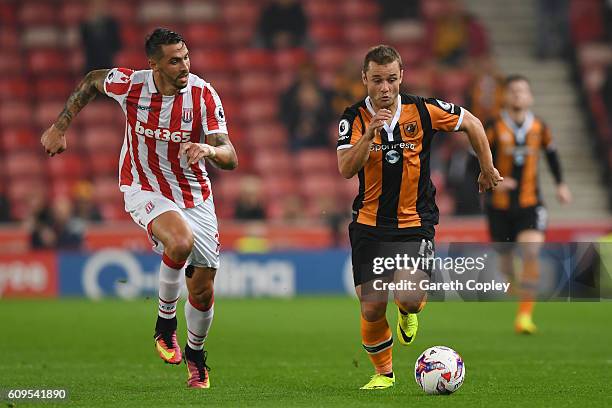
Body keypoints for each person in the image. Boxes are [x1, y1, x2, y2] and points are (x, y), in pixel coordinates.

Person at [41, 28, 238, 389]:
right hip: (142, 185)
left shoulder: (202, 93)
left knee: (203, 289)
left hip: (194, 194)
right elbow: (90, 81)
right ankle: (165, 325)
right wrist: (59, 127)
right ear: (154, 65)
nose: (184, 66)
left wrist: (208, 150)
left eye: (186, 57)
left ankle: (196, 355)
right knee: (179, 242)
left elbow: (230, 155)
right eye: (175, 61)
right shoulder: (131, 85)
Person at [336, 45, 501, 390]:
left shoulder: (423, 110)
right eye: (378, 80)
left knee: (408, 297)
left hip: (415, 221)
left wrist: (487, 167)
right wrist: (369, 135)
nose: (385, 88)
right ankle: (384, 374)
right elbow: (346, 169)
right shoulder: (352, 119)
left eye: (392, 79)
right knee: (371, 310)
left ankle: (408, 313)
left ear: (401, 77)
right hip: (369, 224)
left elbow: (471, 121)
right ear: (364, 78)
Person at [485, 74, 571, 334]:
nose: (518, 96)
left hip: (530, 203)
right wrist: (493, 179)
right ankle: (511, 279)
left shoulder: (540, 128)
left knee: (531, 251)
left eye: (523, 91)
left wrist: (561, 184)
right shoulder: (493, 126)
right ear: (505, 96)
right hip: (498, 205)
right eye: (513, 91)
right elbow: (472, 162)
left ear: (530, 96)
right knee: (507, 264)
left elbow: (552, 155)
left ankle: (524, 316)